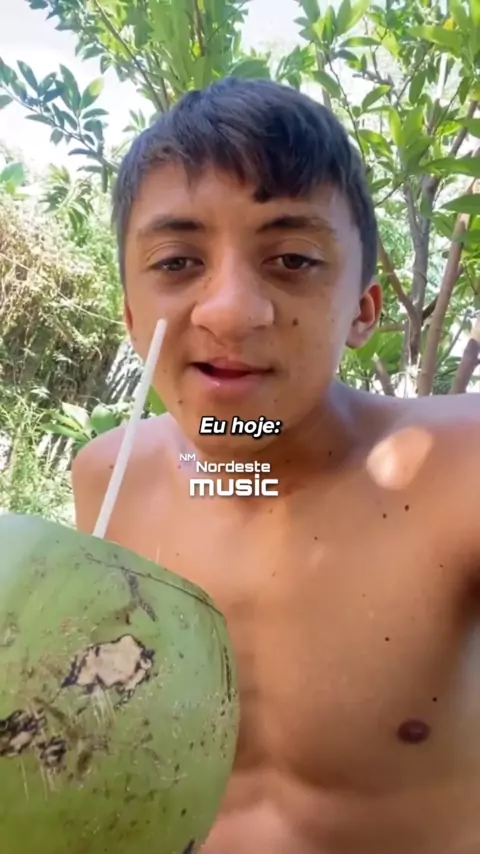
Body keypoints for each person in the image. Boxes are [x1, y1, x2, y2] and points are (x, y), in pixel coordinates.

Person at [72, 78, 480, 854]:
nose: (230, 312)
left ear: (363, 309)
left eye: (292, 259)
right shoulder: (106, 478)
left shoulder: (464, 471)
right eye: (177, 261)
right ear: (129, 315)